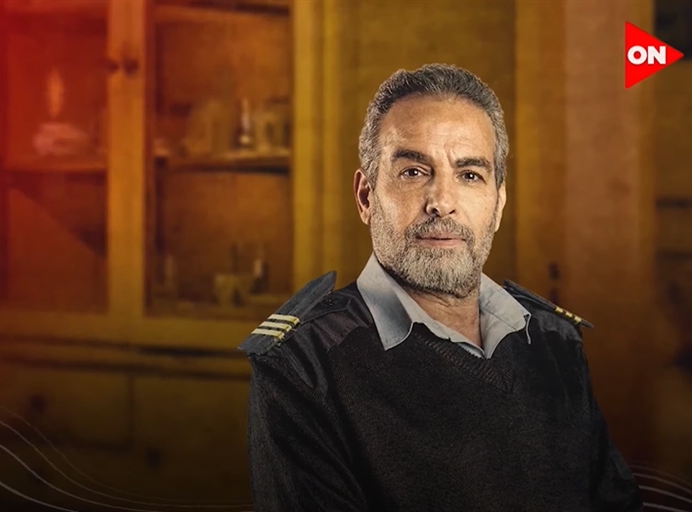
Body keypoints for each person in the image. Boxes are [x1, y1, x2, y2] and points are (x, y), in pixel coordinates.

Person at [239, 64, 642, 511]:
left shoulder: (555, 341)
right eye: (413, 171)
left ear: (498, 204)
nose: (442, 203)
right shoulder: (302, 367)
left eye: (470, 175)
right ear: (366, 197)